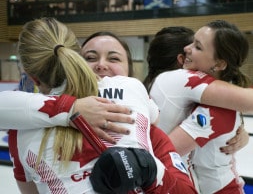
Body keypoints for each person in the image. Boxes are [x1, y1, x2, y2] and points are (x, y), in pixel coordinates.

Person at [0, 23, 197, 193]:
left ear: (129, 72)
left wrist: (149, 170)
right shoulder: (23, 126)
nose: (102, 66)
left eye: (113, 59)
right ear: (73, 62)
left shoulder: (146, 131)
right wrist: (73, 108)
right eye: (91, 58)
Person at [145, 21, 253, 193]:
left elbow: (168, 150)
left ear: (218, 64)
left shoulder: (218, 107)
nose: (188, 48)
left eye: (198, 47)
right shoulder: (206, 96)